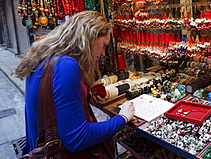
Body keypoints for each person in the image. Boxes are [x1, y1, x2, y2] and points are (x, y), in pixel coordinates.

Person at [14, 11, 135, 156]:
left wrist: (85, 97)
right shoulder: (66, 65)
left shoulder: (44, 57)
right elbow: (77, 138)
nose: (103, 53)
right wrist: (122, 118)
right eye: (103, 45)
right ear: (89, 38)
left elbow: (52, 102)